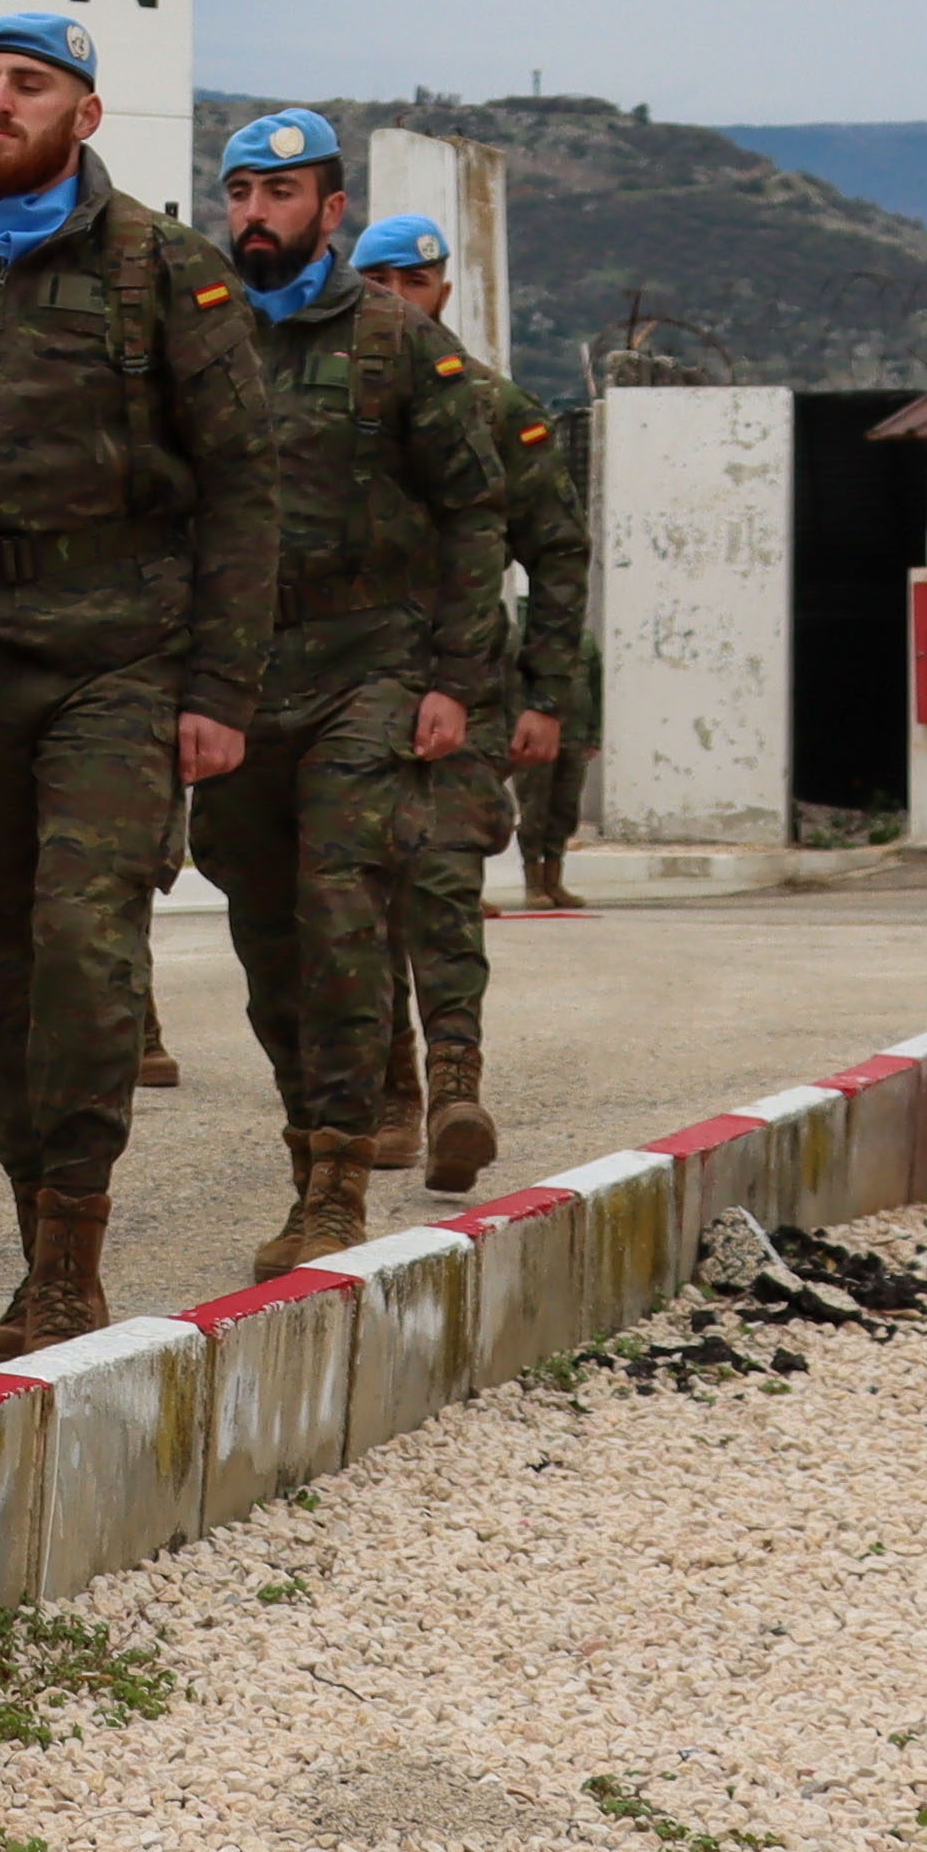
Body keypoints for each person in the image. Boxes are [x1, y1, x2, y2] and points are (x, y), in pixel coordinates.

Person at [0, 13, 276, 1364]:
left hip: (120, 651)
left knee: (85, 943)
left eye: (28, 83)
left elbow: (241, 485)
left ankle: (73, 1259)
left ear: (85, 113)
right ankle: (35, 1239)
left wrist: (220, 685)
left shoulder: (163, 269)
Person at [182, 119, 505, 1265]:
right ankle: (307, 1139)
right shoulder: (199, 333)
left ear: (330, 209)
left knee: (342, 915)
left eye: (281, 192)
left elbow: (473, 512)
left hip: (368, 668)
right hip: (238, 675)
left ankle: (335, 1179)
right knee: (268, 932)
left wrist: (455, 679)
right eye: (241, 191)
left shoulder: (393, 341)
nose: (255, 211)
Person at [355, 208, 578, 1175]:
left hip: (466, 690)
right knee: (355, 901)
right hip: (347, 686)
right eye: (379, 283)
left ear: (442, 291)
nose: (398, 300)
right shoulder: (326, 402)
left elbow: (557, 552)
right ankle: (389, 1089)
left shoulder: (493, 405)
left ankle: (454, 1086)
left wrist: (548, 695)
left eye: (414, 282)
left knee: (441, 886)